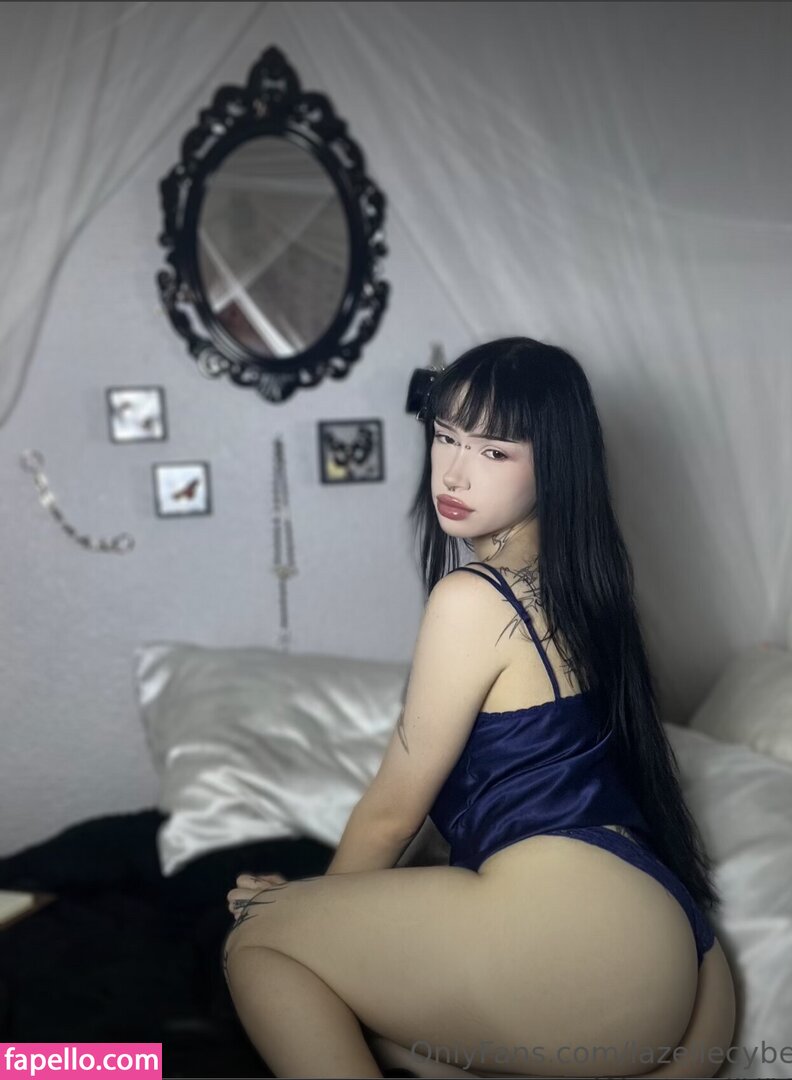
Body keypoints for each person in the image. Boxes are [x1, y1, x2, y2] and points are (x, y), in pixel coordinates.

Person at [223, 337, 737, 1079]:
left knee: (256, 942)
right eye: (445, 437)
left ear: (555, 462)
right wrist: (324, 915)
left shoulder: (472, 598)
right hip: (665, 942)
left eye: (495, 451)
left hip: (570, 944)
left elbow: (391, 815)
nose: (453, 472)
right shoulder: (586, 588)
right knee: (365, 1014)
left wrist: (305, 916)